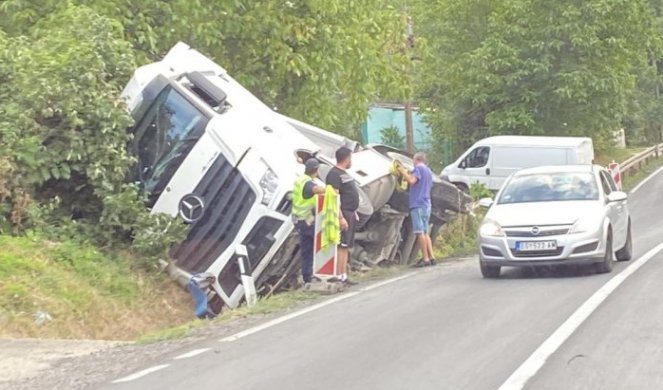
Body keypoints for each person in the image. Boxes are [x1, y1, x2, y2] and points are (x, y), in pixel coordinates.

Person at [326, 147, 359, 285]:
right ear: (346, 159)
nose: (351, 161)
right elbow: (334, 197)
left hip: (350, 212)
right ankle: (339, 275)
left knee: (346, 246)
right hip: (343, 213)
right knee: (342, 245)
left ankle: (344, 275)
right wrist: (340, 217)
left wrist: (354, 210)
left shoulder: (344, 174)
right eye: (350, 158)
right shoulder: (334, 174)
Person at [292, 158, 326, 284]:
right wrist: (330, 190)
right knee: (317, 245)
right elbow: (317, 190)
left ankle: (308, 276)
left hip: (299, 220)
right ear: (316, 170)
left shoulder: (300, 179)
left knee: (307, 249)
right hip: (306, 221)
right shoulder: (308, 183)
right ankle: (315, 273)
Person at [398, 152, 435, 267]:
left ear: (417, 160)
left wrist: (402, 171)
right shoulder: (428, 171)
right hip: (427, 203)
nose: (412, 162)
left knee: (419, 232)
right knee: (425, 231)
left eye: (413, 159)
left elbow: (412, 181)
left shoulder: (418, 169)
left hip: (417, 203)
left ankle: (425, 259)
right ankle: (431, 257)